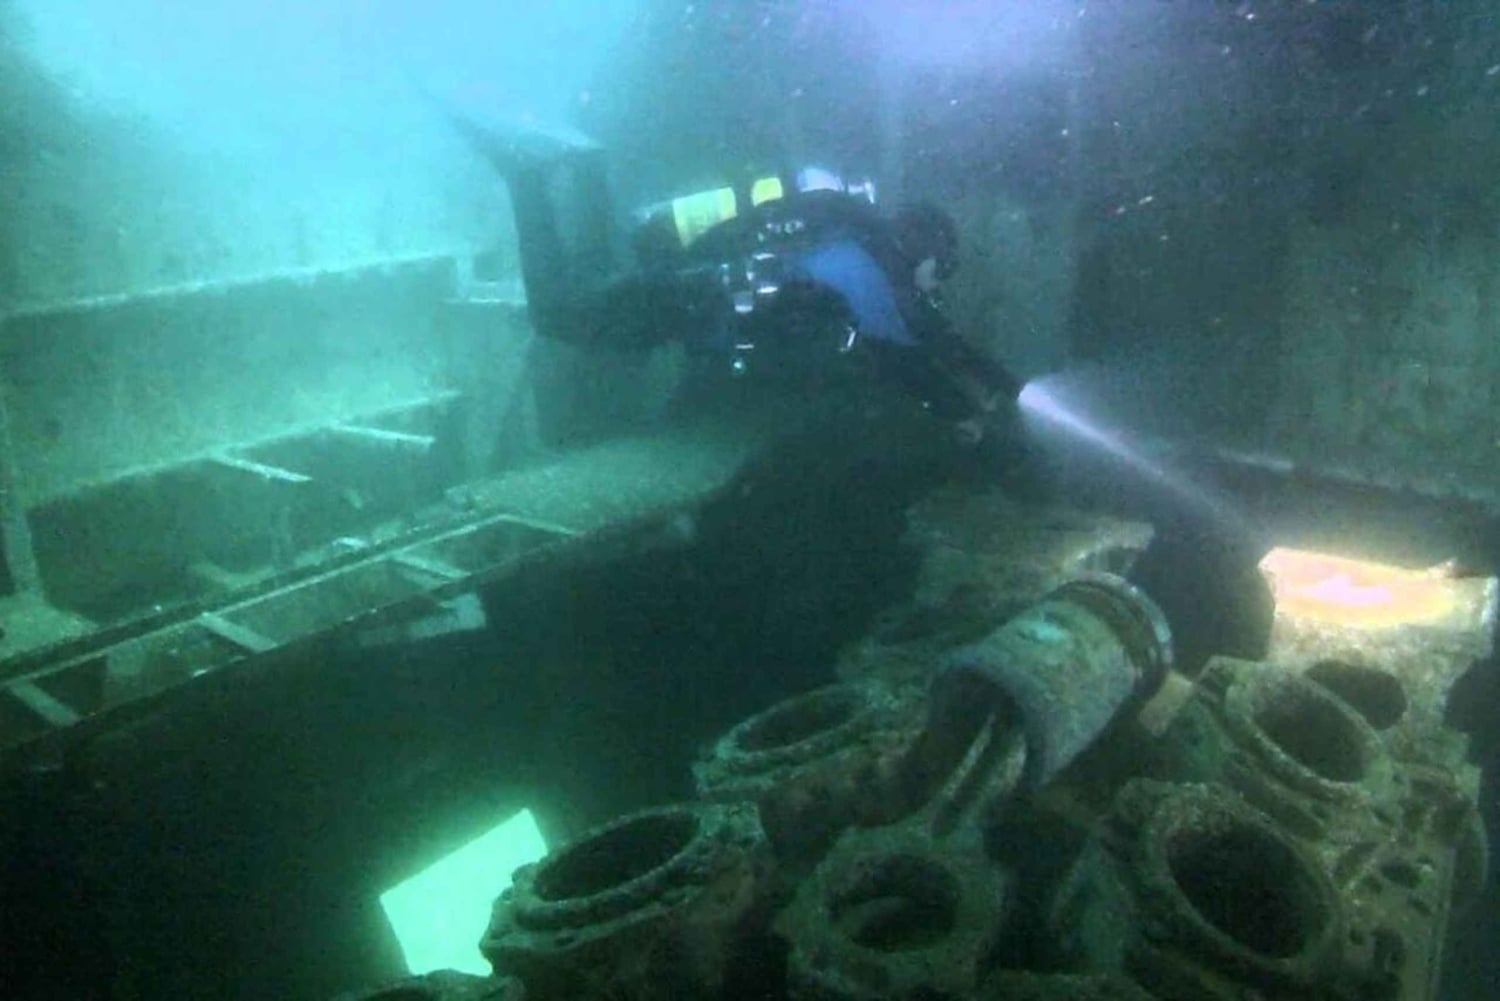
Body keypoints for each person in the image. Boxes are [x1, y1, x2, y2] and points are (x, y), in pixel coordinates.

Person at [446, 112, 1022, 445]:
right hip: (689, 299)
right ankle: (524, 176)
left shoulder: (863, 250)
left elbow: (931, 335)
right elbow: (906, 355)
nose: (934, 281)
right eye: (938, 266)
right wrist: (962, 414)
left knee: (597, 277)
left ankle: (586, 166)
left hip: (689, 294)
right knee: (561, 318)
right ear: (919, 244)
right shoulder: (864, 266)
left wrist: (1003, 384)